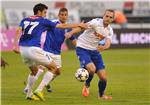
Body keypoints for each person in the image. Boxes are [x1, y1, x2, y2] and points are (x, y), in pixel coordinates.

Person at [13, 3, 86, 101]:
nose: (45, 14)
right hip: (39, 49)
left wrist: (15, 45)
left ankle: (29, 94)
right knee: (51, 68)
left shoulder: (25, 19)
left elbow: (18, 31)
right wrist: (79, 24)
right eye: (45, 12)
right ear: (39, 12)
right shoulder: (46, 21)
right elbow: (62, 26)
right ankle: (39, 90)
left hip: (24, 49)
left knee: (39, 71)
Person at [23, 7, 77, 94]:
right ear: (58, 15)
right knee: (40, 69)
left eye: (65, 15)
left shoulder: (68, 28)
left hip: (57, 53)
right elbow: (40, 29)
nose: (64, 16)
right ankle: (28, 88)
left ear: (67, 16)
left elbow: (73, 40)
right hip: (46, 50)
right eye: (62, 15)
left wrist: (79, 49)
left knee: (58, 72)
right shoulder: (53, 23)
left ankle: (47, 83)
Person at [65, 9, 115, 100]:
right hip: (82, 48)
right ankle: (87, 85)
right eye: (106, 16)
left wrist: (104, 47)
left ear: (113, 19)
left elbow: (108, 43)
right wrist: (71, 32)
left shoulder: (109, 30)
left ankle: (101, 95)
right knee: (92, 69)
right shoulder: (95, 22)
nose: (108, 18)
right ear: (103, 16)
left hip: (95, 51)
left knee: (103, 77)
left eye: (110, 17)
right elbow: (82, 27)